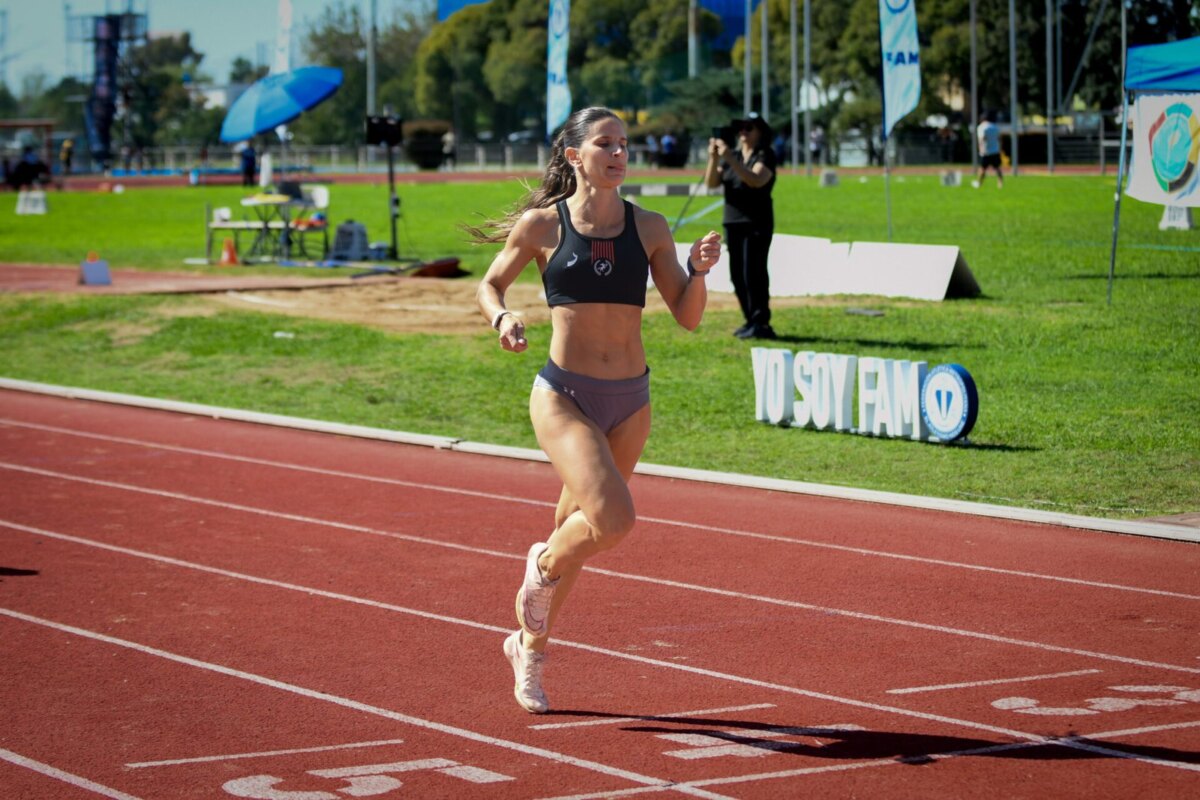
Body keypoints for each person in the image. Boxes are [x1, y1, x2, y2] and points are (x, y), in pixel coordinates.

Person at [472, 106, 721, 714]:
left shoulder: (651, 227)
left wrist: (698, 271)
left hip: (630, 401)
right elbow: (489, 285)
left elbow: (687, 317)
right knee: (611, 521)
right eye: (605, 144)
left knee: (577, 540)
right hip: (564, 397)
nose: (618, 154)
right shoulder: (542, 227)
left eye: (624, 145)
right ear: (575, 156)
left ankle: (527, 649)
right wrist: (502, 316)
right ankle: (541, 566)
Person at [705, 114, 778, 340]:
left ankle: (761, 322)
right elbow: (711, 183)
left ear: (759, 132)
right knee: (737, 274)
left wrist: (729, 157)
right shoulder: (733, 156)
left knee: (753, 272)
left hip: (756, 222)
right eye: (740, 128)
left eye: (749, 128)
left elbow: (755, 180)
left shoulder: (764, 155)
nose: (743, 132)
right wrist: (714, 159)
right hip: (733, 221)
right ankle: (749, 320)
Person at [974, 112, 1004, 188]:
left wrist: (980, 149)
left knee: (983, 168)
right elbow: (999, 139)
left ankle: (979, 183)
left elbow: (982, 138)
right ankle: (1000, 183)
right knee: (997, 167)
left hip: (986, 151)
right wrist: (999, 149)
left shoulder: (981, 127)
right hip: (995, 150)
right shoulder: (995, 127)